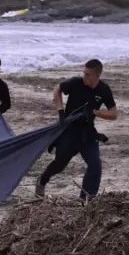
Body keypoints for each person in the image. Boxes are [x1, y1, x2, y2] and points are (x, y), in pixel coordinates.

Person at [35, 59, 118, 202]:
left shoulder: (104, 89)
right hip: (69, 131)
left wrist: (97, 113)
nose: (85, 77)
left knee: (95, 164)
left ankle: (86, 198)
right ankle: (42, 180)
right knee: (60, 164)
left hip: (87, 133)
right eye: (84, 73)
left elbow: (114, 114)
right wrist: (60, 110)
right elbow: (57, 89)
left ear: (98, 74)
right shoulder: (75, 83)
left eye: (88, 75)